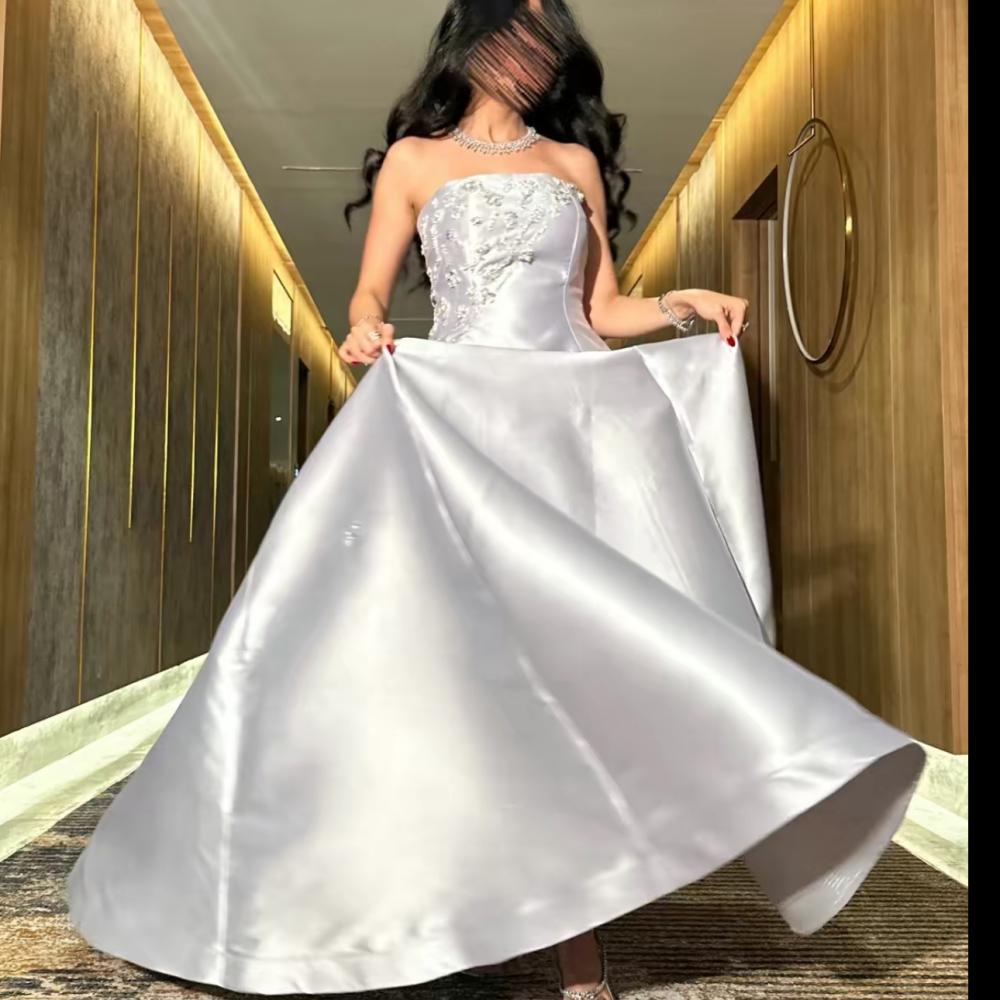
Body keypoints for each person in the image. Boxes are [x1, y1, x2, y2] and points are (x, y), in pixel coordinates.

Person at [66, 3, 925, 998]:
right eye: (518, 34)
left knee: (577, 672)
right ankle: (417, 888)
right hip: (464, 423)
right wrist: (364, 328)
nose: (536, 56)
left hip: (568, 430)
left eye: (547, 41)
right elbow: (369, 294)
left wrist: (680, 303)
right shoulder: (414, 161)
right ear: (471, 40)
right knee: (466, 673)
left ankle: (578, 937)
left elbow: (599, 310)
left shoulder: (573, 163)